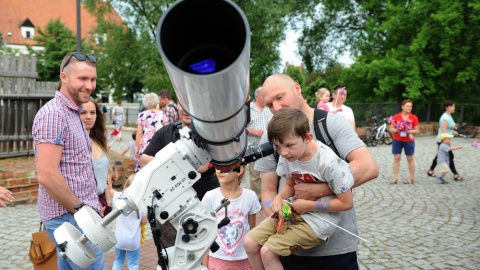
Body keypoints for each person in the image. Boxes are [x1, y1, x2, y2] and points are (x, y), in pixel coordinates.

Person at [256, 74, 378, 270]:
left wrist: (318, 191)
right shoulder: (269, 138)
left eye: (279, 97)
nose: (276, 108)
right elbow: (268, 192)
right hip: (290, 250)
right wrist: (277, 212)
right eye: (269, 104)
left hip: (335, 249)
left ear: (297, 88)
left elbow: (368, 167)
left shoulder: (330, 124)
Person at [245, 108, 354, 270]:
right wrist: (278, 199)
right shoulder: (288, 155)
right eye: (277, 146)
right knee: (250, 243)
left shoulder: (328, 163)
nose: (283, 152)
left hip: (319, 223)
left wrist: (309, 206)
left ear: (308, 138)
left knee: (268, 252)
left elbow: (346, 203)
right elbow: (289, 185)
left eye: (289, 145)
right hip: (294, 213)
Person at [32, 52, 106, 269]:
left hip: (76, 215)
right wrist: (82, 210)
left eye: (92, 79)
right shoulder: (54, 114)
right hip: (70, 218)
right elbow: (47, 175)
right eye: (82, 79)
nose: (90, 85)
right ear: (64, 77)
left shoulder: (73, 112)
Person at [139, 103, 219, 247]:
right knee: (169, 254)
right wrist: (176, 163)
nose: (187, 109)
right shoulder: (165, 132)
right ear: (177, 105)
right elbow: (144, 160)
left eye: (191, 104)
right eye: (183, 104)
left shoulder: (211, 135)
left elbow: (202, 167)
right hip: (169, 208)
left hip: (203, 204)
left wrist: (167, 164)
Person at [201, 165, 261, 270]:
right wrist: (204, 266)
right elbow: (206, 235)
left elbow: (252, 233)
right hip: (216, 258)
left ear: (240, 170)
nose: (220, 171)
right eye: (217, 167)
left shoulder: (250, 197)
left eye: (225, 167)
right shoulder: (210, 197)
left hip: (244, 259)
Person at [80, 97, 113, 215]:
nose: (89, 116)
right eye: (83, 112)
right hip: (83, 203)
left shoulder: (99, 141)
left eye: (92, 112)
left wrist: (108, 202)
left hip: (102, 201)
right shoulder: (74, 144)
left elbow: (106, 176)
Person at [109, 173, 148, 270]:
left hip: (119, 239)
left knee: (118, 260)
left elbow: (110, 191)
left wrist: (109, 178)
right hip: (133, 240)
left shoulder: (119, 196)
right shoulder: (142, 204)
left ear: (126, 186)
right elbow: (144, 221)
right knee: (133, 265)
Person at [245, 87, 273, 199]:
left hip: (270, 148)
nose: (267, 98)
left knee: (270, 175)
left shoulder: (270, 108)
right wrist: (255, 132)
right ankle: (257, 199)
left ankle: (269, 198)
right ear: (257, 97)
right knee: (255, 177)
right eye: (264, 96)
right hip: (254, 148)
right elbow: (241, 129)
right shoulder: (248, 109)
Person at [427, 101, 463, 181]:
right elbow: (443, 131)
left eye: (454, 106)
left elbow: (448, 128)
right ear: (447, 107)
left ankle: (430, 170)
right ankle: (455, 174)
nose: (454, 108)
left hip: (446, 139)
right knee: (450, 156)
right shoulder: (445, 118)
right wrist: (446, 141)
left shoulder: (449, 116)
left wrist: (454, 132)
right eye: (452, 106)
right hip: (442, 140)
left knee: (439, 156)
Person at [388, 99, 420, 184]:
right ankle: (395, 178)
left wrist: (409, 131)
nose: (409, 108)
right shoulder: (396, 116)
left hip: (408, 140)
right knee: (396, 158)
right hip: (397, 139)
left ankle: (411, 178)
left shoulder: (414, 117)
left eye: (410, 106)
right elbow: (391, 128)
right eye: (407, 106)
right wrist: (398, 129)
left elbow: (417, 130)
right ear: (402, 107)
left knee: (410, 158)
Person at [135, 93, 161, 168]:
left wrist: (137, 148)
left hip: (146, 145)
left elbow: (139, 133)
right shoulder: (162, 114)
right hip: (158, 144)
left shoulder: (142, 115)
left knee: (144, 168)